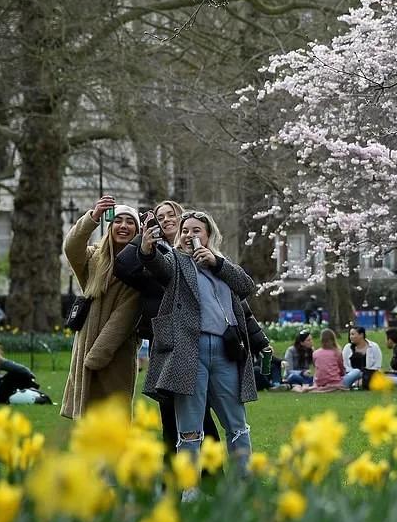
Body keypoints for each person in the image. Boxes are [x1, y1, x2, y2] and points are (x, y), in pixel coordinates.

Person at [139, 209, 257, 482]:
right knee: (189, 426)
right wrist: (147, 250)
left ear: (209, 234)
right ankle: (189, 489)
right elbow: (159, 266)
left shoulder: (221, 263)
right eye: (186, 230)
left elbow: (246, 285)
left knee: (236, 422)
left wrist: (216, 263)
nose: (190, 235)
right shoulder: (176, 261)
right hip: (189, 352)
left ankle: (245, 484)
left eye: (197, 230)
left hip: (226, 352)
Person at [114, 199, 222, 456]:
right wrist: (142, 236)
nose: (166, 219)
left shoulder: (200, 256)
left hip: (194, 340)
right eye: (160, 217)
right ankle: (175, 478)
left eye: (171, 214)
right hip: (165, 341)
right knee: (169, 412)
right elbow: (123, 267)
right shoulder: (154, 254)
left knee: (198, 411)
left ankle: (209, 476)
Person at [61, 196, 142, 419]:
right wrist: (93, 217)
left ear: (137, 229)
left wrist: (98, 355)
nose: (123, 226)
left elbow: (125, 315)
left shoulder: (142, 266)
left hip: (115, 353)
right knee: (87, 420)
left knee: (113, 418)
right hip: (86, 344)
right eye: (118, 221)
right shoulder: (94, 259)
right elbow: (71, 247)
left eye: (129, 222)